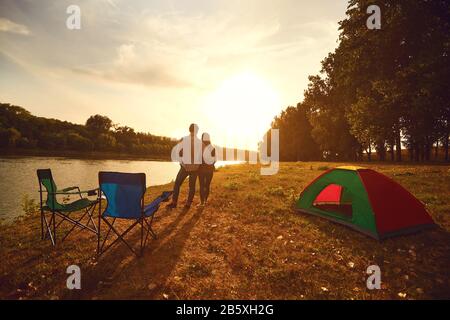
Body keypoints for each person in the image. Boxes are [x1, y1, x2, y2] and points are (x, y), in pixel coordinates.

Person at [167, 123, 202, 209]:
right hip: (195, 168)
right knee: (192, 186)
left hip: (185, 167)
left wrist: (182, 163)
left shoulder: (184, 139)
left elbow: (177, 152)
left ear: (189, 129)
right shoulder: (199, 142)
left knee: (177, 184)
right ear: (197, 131)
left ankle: (174, 202)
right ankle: (188, 204)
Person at [198, 132, 216, 206]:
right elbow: (214, 160)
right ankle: (205, 201)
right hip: (210, 169)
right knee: (207, 185)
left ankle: (202, 202)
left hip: (201, 169)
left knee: (202, 185)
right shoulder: (212, 148)